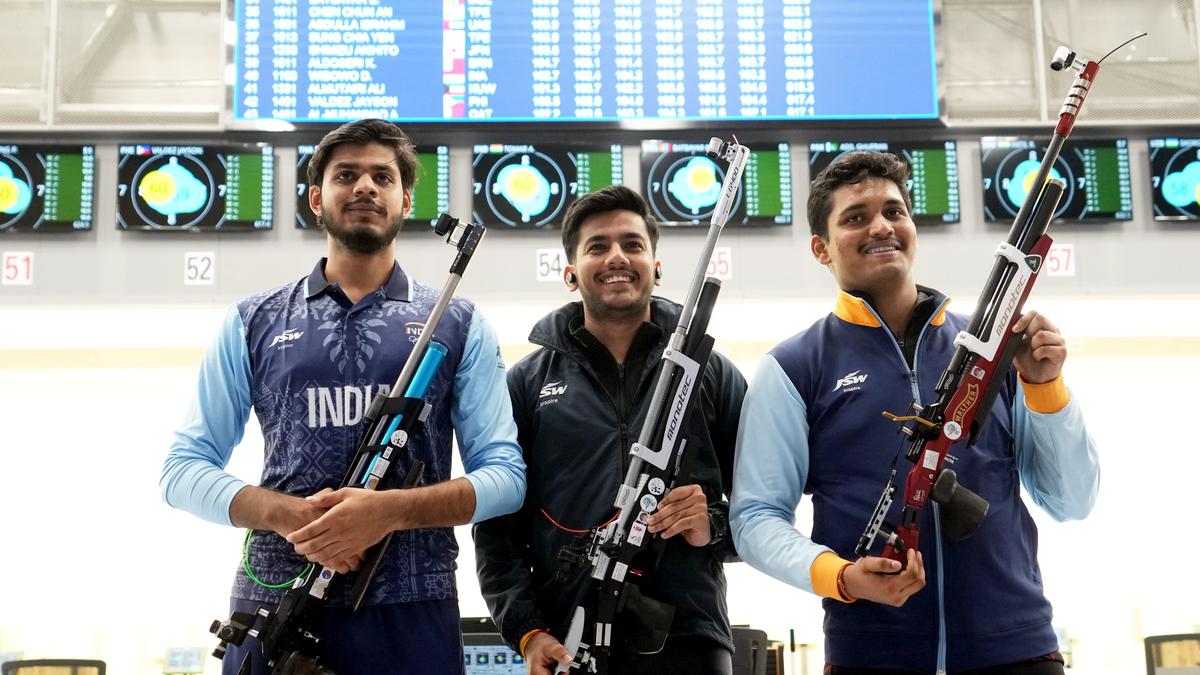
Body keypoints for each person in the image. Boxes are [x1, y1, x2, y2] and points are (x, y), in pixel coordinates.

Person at [160, 118, 526, 674]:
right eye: (346, 175)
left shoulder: (456, 321)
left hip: (413, 607)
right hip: (276, 600)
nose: (364, 187)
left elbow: (506, 478)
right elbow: (181, 471)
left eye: (382, 176)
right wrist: (288, 515)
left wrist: (389, 512)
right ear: (316, 199)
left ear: (406, 200)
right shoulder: (252, 321)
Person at [730, 151, 1099, 675]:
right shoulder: (793, 367)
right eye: (855, 217)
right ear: (821, 248)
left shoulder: (996, 353)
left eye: (894, 211)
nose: (881, 225)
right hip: (872, 654)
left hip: (1017, 650)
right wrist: (839, 575)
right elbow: (755, 518)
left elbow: (1072, 500)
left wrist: (1044, 387)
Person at [473, 185, 746, 675]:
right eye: (598, 246)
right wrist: (528, 633)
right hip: (567, 638)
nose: (617, 256)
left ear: (656, 266)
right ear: (570, 273)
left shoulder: (710, 373)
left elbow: (763, 507)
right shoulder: (526, 384)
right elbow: (497, 529)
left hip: (689, 639)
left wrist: (713, 527)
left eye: (633, 244)